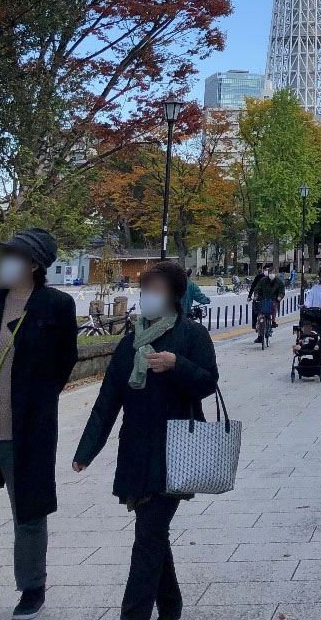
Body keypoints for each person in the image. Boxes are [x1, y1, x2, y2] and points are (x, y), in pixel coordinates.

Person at [72, 261, 218, 620]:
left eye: (156, 290)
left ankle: (133, 614)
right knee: (151, 534)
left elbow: (208, 383)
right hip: (137, 451)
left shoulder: (192, 336)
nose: (147, 297)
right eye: (145, 290)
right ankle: (170, 606)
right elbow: (107, 401)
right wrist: (85, 452)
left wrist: (177, 365)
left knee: (147, 535)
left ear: (174, 296)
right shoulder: (128, 345)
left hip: (176, 450)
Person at [0, 229, 78, 620]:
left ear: (34, 264)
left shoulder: (55, 305)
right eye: (3, 254)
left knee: (28, 512)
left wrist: (37, 402)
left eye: (13, 256)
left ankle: (31, 587)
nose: (4, 262)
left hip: (27, 430)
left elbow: (65, 361)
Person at [250, 263, 285, 342]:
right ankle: (259, 331)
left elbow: (282, 291)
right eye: (270, 273)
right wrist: (256, 296)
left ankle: (273, 322)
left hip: (273, 300)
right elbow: (257, 289)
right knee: (260, 314)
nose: (271, 274)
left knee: (274, 307)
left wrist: (279, 297)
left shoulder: (279, 282)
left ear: (276, 273)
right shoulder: (263, 280)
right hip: (263, 299)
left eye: (273, 273)